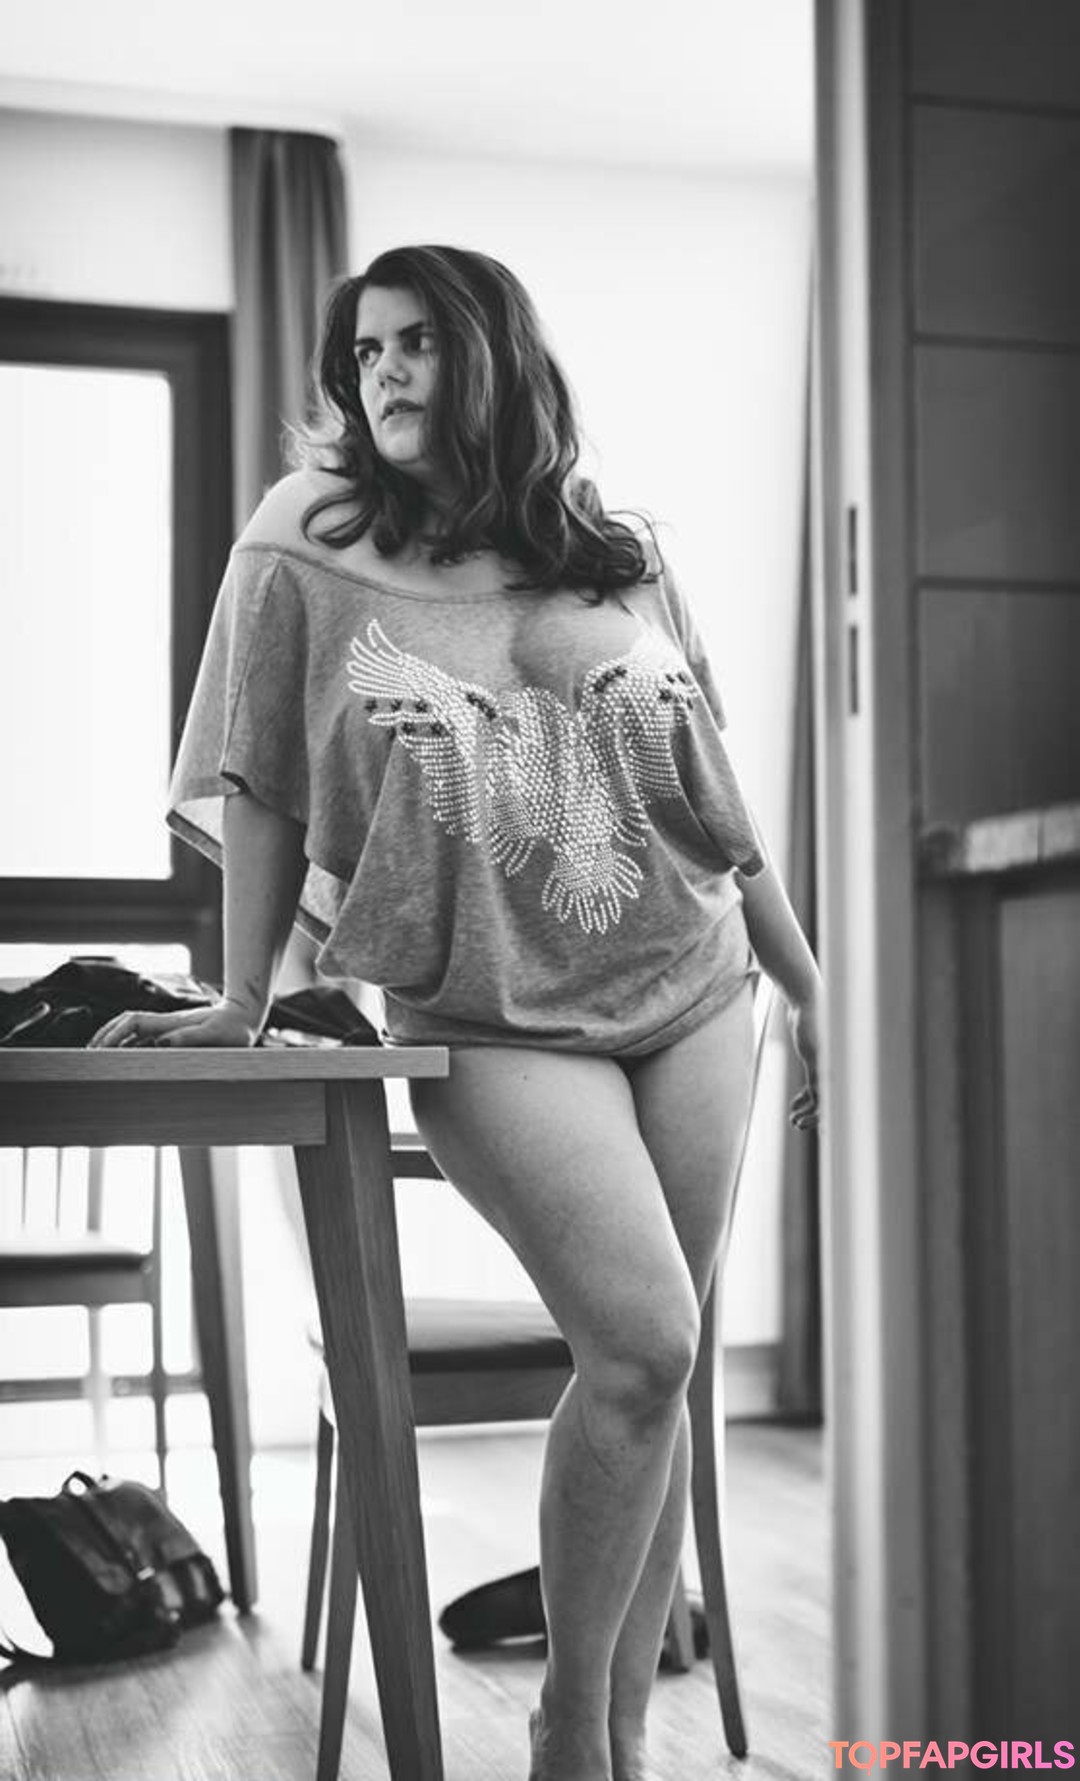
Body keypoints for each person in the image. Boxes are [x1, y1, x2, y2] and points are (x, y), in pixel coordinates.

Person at [91, 244, 821, 1781]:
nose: (385, 375)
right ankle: (568, 1730)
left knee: (655, 1372)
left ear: (490, 356)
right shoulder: (308, 538)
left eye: (417, 343)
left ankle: (619, 1732)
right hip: (493, 1014)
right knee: (645, 1341)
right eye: (365, 352)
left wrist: (810, 988)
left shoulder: (617, 552)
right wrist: (243, 993)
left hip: (695, 986)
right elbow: (259, 769)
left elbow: (715, 804)